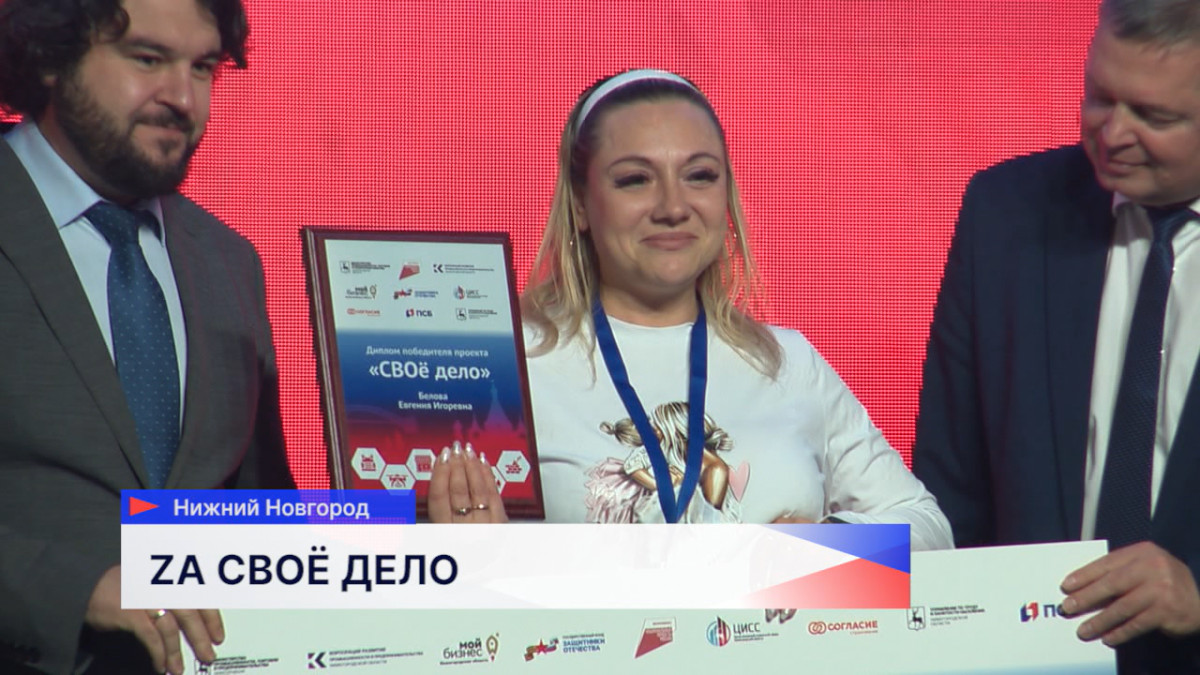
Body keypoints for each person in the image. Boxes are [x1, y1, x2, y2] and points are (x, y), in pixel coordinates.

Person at [428, 69, 952, 551]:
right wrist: (469, 559)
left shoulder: (786, 362)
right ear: (581, 204)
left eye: (699, 175)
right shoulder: (504, 364)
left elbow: (932, 531)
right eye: (635, 179)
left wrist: (821, 549)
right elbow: (390, 539)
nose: (673, 207)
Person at [0, 1, 293, 673]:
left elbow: (260, 517)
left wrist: (424, 533)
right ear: (49, 56)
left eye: (203, 67)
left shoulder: (230, 263)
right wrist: (73, 590)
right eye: (148, 59)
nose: (182, 99)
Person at [913, 1, 1200, 672]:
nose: (1112, 133)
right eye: (1100, 96)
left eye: (1153, 116)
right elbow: (949, 492)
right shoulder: (1004, 214)